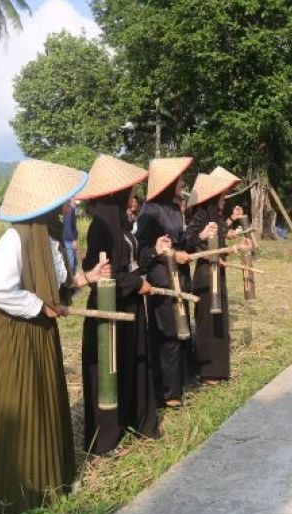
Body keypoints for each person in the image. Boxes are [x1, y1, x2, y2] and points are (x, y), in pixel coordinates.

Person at [0, 159, 109, 514]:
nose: (71, 203)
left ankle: (47, 480)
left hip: (41, 333)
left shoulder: (50, 236)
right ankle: (12, 493)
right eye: (66, 198)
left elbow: (58, 284)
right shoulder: (15, 238)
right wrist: (38, 306)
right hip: (14, 334)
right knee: (17, 402)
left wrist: (87, 277)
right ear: (46, 201)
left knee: (43, 396)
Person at [78, 155, 160, 454]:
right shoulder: (101, 226)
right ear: (116, 193)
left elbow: (132, 262)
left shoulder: (124, 225)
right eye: (130, 192)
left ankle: (134, 421)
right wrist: (136, 283)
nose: (134, 198)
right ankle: (105, 439)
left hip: (131, 306)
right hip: (110, 309)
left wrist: (153, 255)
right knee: (108, 371)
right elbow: (102, 274)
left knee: (132, 363)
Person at [135, 157, 196, 409]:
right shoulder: (150, 210)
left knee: (182, 327)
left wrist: (187, 246)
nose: (183, 183)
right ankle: (166, 391)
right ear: (170, 182)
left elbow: (179, 241)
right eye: (180, 179)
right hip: (161, 277)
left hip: (179, 274)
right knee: (167, 331)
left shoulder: (173, 207)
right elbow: (142, 252)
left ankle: (181, 381)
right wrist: (164, 253)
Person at [184, 168, 252, 384]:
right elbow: (188, 241)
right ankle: (207, 371)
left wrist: (232, 223)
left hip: (218, 271)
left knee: (219, 319)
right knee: (207, 321)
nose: (224, 199)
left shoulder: (216, 215)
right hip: (205, 273)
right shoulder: (201, 213)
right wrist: (203, 235)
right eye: (222, 196)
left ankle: (218, 368)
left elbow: (221, 234)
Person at [62, 197, 79, 272]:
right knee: (71, 264)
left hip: (69, 240)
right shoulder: (70, 211)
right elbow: (68, 226)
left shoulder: (72, 210)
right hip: (69, 241)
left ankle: (73, 280)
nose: (76, 204)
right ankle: (70, 282)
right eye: (75, 202)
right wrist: (73, 240)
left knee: (74, 263)